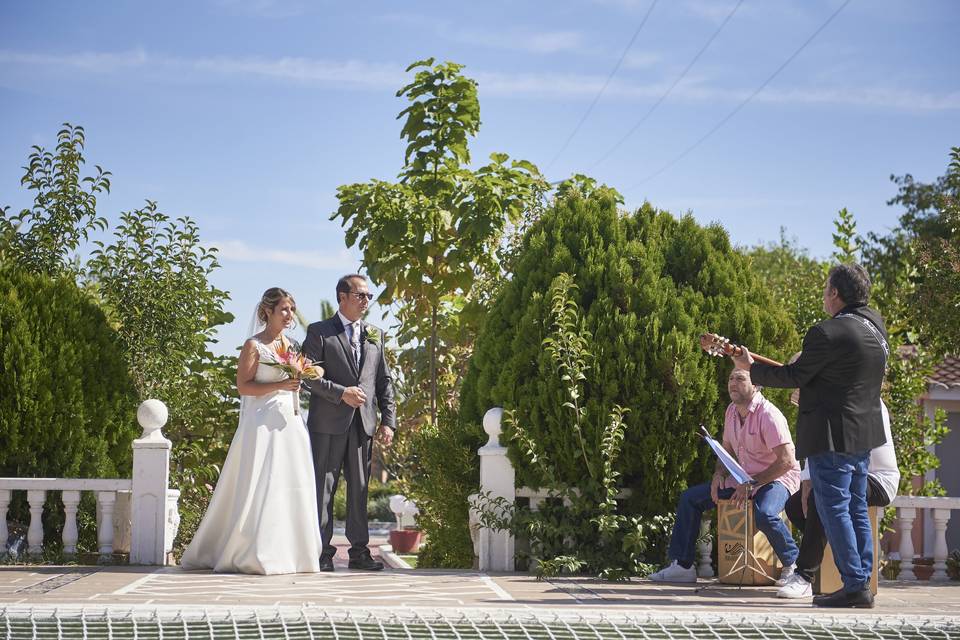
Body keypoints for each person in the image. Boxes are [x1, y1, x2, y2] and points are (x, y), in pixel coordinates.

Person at [733, 263, 888, 608]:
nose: (823, 294)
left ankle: (854, 585)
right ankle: (861, 580)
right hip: (863, 434)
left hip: (831, 436)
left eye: (825, 289)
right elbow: (834, 379)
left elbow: (795, 376)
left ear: (835, 293)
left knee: (834, 508)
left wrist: (748, 368)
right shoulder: (876, 327)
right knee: (856, 507)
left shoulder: (826, 333)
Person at [181, 287, 323, 574]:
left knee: (290, 484)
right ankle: (252, 550)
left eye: (292, 309)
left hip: (290, 423)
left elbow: (298, 377)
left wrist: (301, 377)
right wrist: (280, 386)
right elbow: (244, 386)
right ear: (267, 311)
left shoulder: (292, 345)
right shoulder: (253, 345)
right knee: (262, 483)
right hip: (261, 424)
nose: (289, 314)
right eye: (284, 309)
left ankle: (292, 553)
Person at [650, 369, 801, 583]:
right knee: (690, 498)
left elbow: (786, 461)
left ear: (756, 385)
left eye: (740, 379)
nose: (732, 383)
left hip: (777, 479)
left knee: (765, 513)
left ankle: (793, 566)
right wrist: (718, 474)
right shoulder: (731, 411)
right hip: (745, 480)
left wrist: (752, 483)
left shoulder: (769, 415)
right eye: (730, 378)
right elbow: (727, 450)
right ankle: (682, 566)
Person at [301, 274, 396, 571]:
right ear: (342, 296)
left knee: (360, 489)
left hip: (364, 425)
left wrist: (388, 421)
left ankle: (359, 553)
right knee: (324, 489)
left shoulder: (375, 334)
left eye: (369, 296)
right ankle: (322, 552)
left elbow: (383, 381)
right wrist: (341, 394)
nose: (366, 301)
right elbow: (307, 377)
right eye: (360, 295)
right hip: (327, 423)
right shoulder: (319, 332)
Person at [778, 400, 899, 598]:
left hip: (878, 478)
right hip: (844, 472)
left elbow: (839, 445)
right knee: (794, 506)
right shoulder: (832, 398)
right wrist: (808, 478)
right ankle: (838, 545)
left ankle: (805, 575)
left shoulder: (867, 401)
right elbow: (818, 443)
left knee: (823, 496)